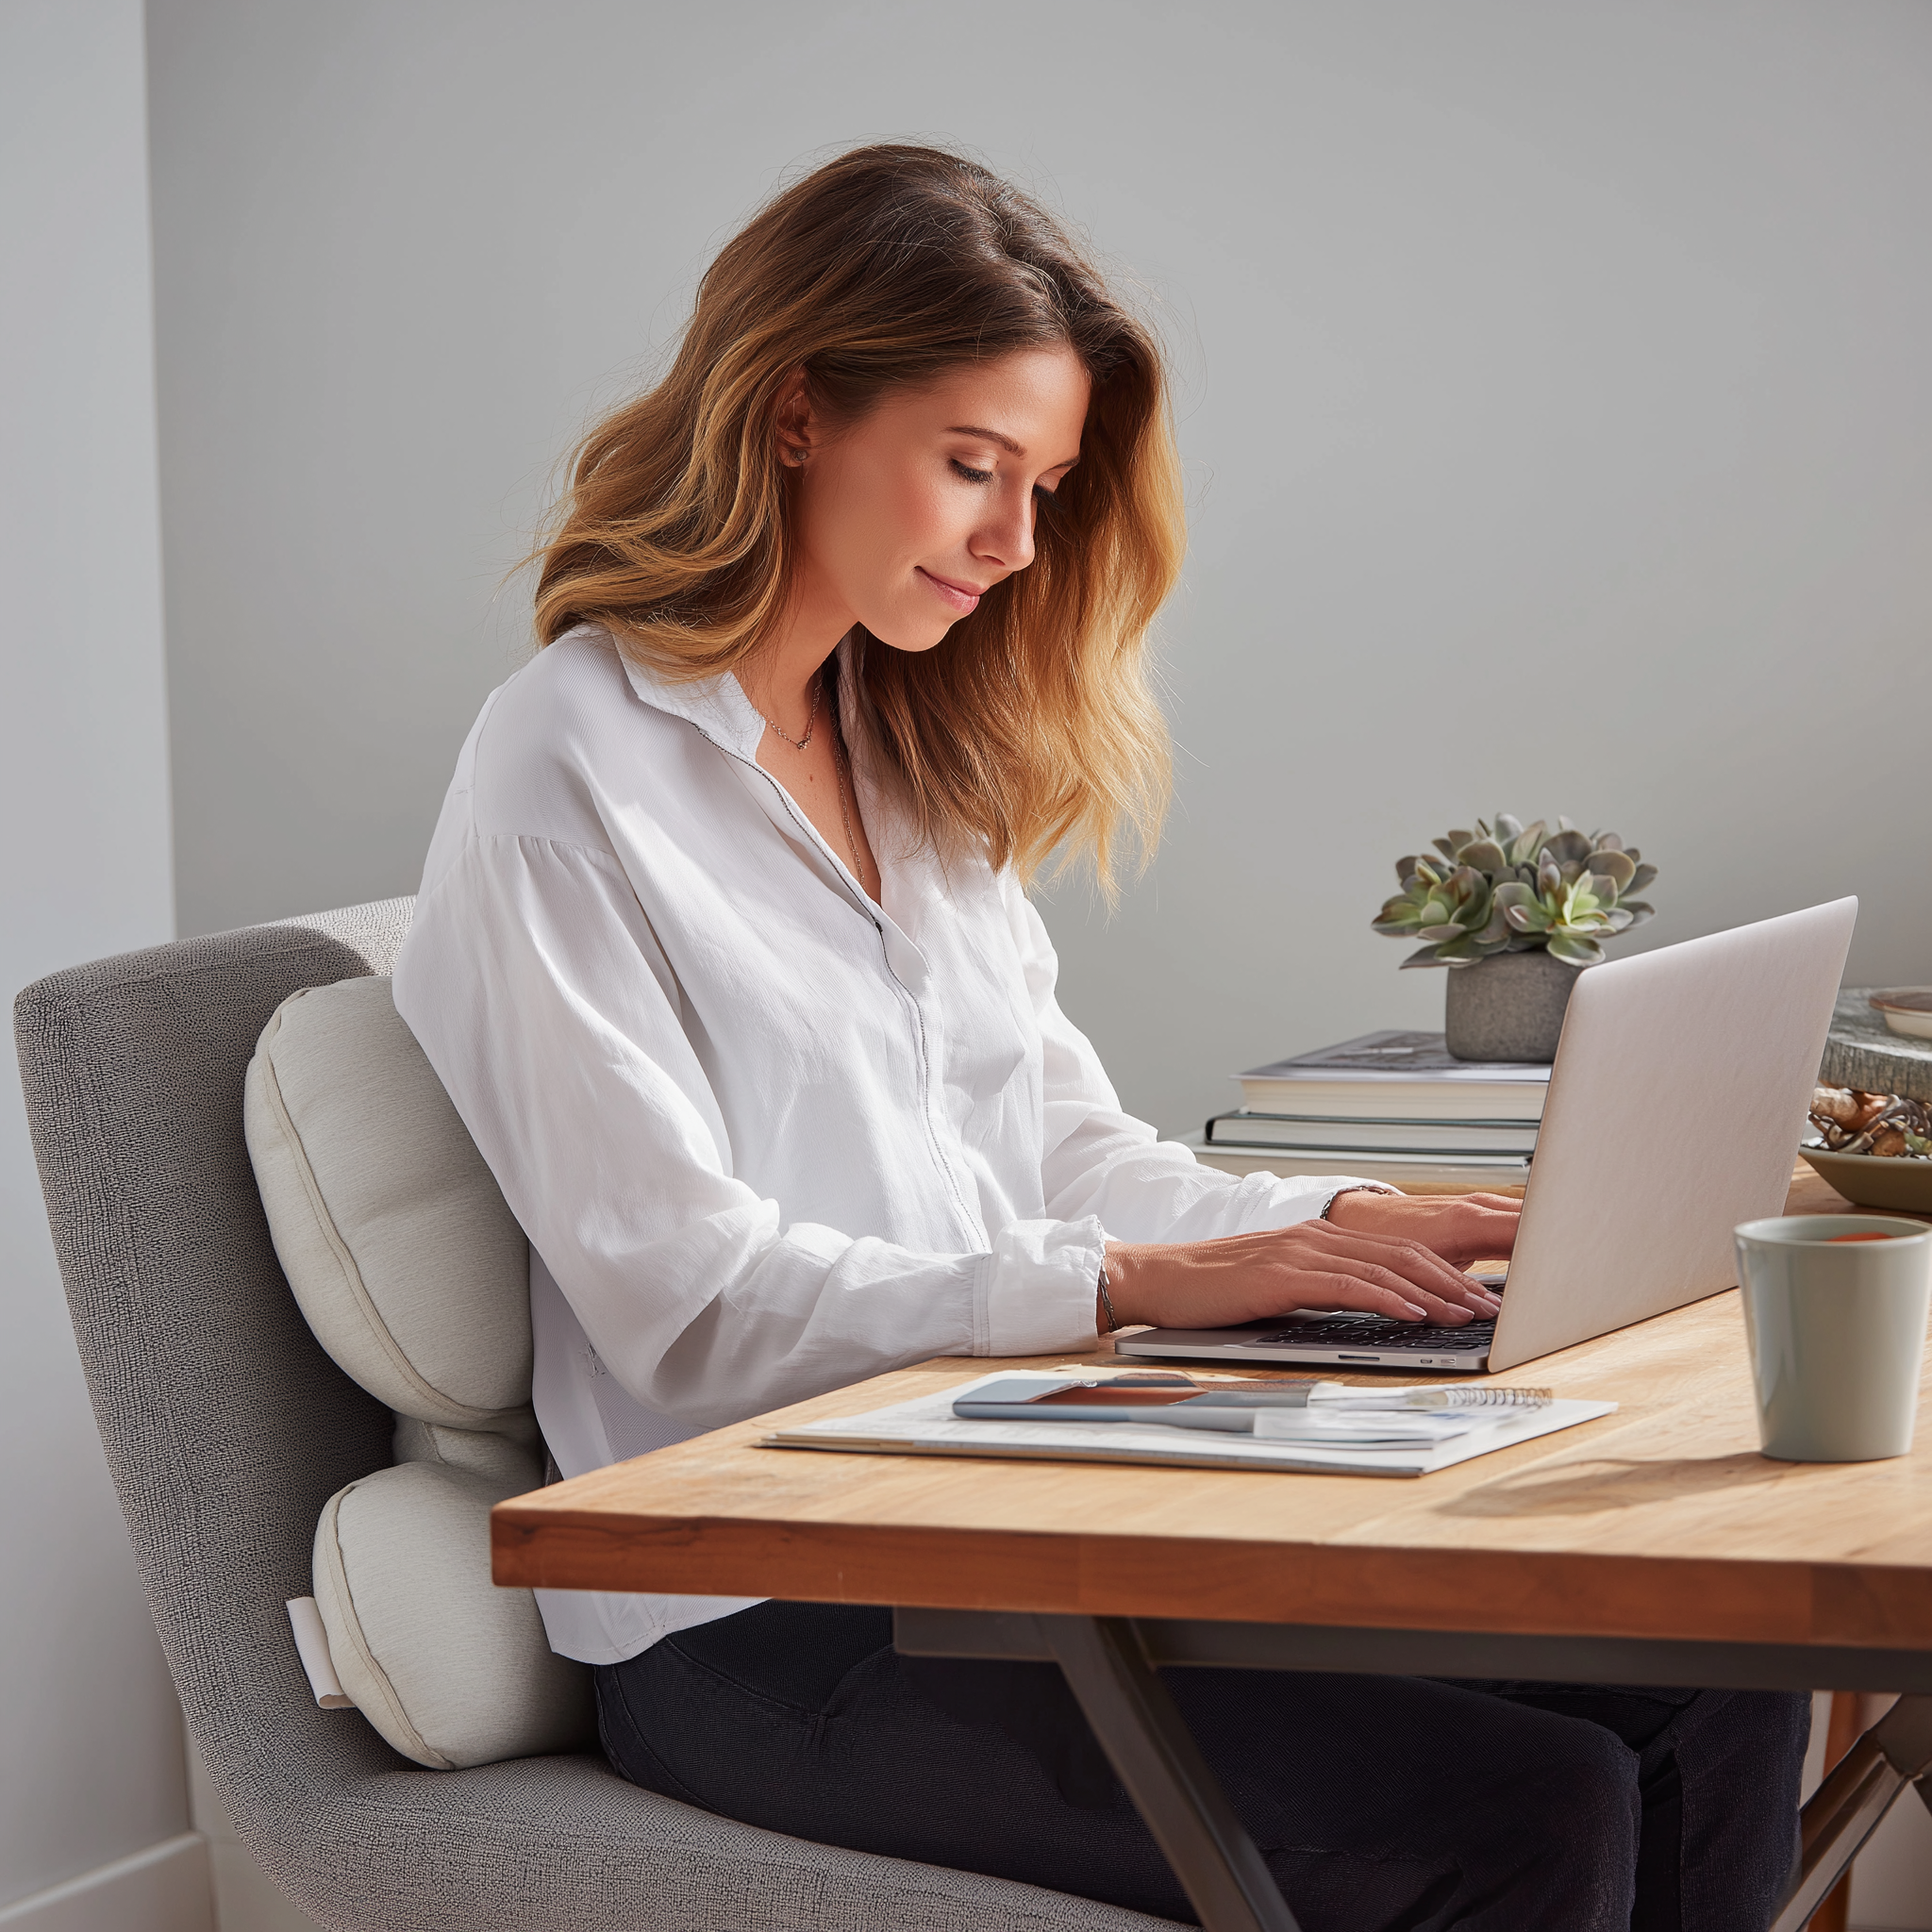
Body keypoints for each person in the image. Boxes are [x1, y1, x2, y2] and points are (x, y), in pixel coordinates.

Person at [392, 143, 1806, 1930]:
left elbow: (1067, 1156)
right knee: (1514, 1812)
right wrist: (1126, 1283)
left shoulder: (905, 756)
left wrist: (1338, 1222)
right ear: (795, 412)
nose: (1015, 543)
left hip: (1016, 1502)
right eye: (973, 468)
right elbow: (683, 1308)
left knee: (1719, 1682)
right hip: (761, 1610)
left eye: (1045, 484)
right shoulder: (560, 773)